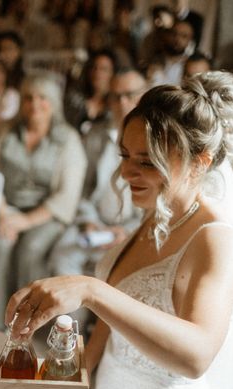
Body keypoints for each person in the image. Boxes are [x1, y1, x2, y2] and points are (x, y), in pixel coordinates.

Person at [5, 71, 233, 389]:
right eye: (124, 156)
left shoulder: (215, 240)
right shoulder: (156, 215)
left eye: (147, 162)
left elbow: (196, 356)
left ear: (199, 163)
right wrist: (64, 387)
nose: (126, 174)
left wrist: (90, 290)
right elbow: (109, 330)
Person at [0, 73, 87, 325]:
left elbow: (66, 195)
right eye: (28, 98)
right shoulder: (5, 131)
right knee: (0, 245)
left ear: (53, 103)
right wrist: (3, 215)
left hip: (48, 214)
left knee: (30, 249)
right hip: (7, 209)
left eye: (43, 98)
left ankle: (28, 320)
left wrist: (25, 221)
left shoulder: (68, 139)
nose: (34, 104)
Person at [49, 67, 146, 277]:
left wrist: (126, 231)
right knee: (62, 258)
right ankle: (69, 311)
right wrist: (90, 221)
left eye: (129, 95)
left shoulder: (154, 139)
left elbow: (156, 201)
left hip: (134, 228)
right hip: (93, 222)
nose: (122, 103)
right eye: (116, 97)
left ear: (144, 95)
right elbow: (81, 187)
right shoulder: (95, 136)